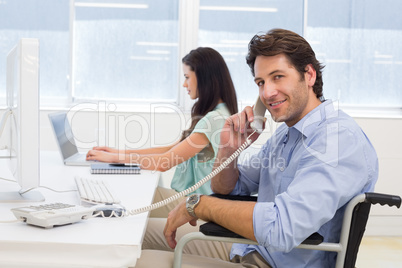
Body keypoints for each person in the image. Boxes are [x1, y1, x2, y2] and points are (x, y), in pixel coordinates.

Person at [136, 29, 379, 267]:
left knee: (137, 261)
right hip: (248, 247)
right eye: (260, 82)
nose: (267, 93)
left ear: (309, 76)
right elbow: (228, 188)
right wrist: (228, 150)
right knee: (139, 231)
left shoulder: (337, 139)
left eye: (278, 77)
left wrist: (200, 205)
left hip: (272, 260)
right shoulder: (287, 132)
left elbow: (281, 228)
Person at [86, 47, 238, 217]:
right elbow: (171, 150)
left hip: (199, 207)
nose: (184, 84)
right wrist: (118, 153)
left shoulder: (214, 119)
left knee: (130, 208)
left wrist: (115, 159)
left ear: (204, 78)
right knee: (136, 196)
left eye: (187, 77)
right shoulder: (220, 113)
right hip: (193, 201)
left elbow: (164, 162)